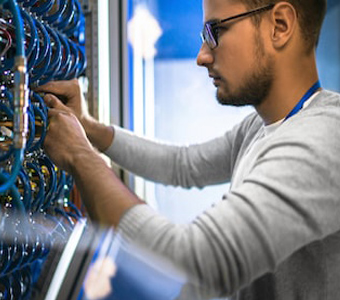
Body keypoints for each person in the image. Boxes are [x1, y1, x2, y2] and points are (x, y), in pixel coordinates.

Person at [37, 0, 340, 298]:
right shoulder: (261, 127)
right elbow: (182, 164)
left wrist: (80, 156)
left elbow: (192, 265)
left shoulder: (324, 136)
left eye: (215, 32)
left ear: (280, 25)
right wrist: (89, 128)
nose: (202, 56)